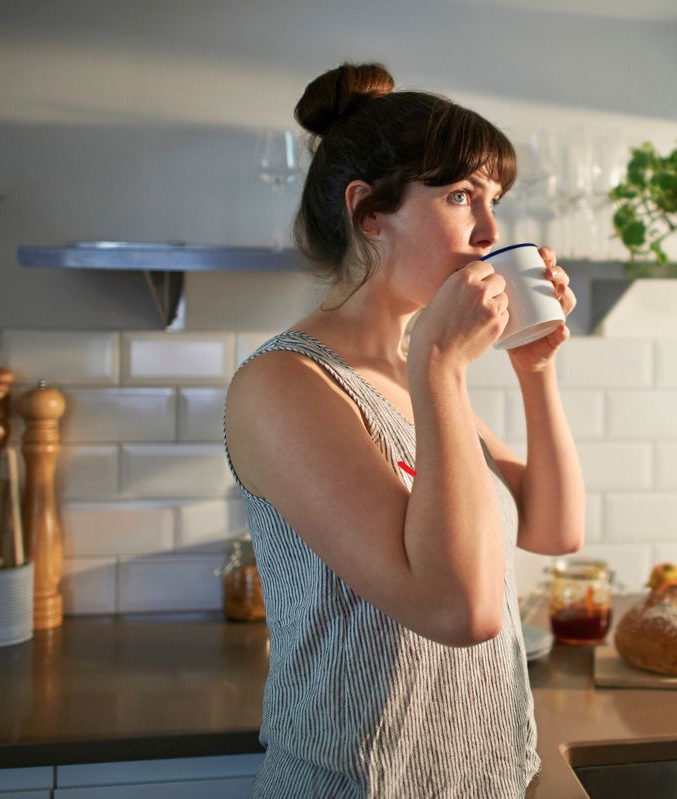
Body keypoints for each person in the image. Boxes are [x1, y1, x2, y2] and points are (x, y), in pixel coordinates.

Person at [223, 62, 585, 798]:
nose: (490, 232)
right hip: (357, 784)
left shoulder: (412, 370)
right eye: (459, 196)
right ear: (368, 212)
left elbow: (553, 528)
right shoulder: (286, 384)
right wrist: (442, 370)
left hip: (480, 778)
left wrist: (534, 368)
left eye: (494, 200)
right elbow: (463, 610)